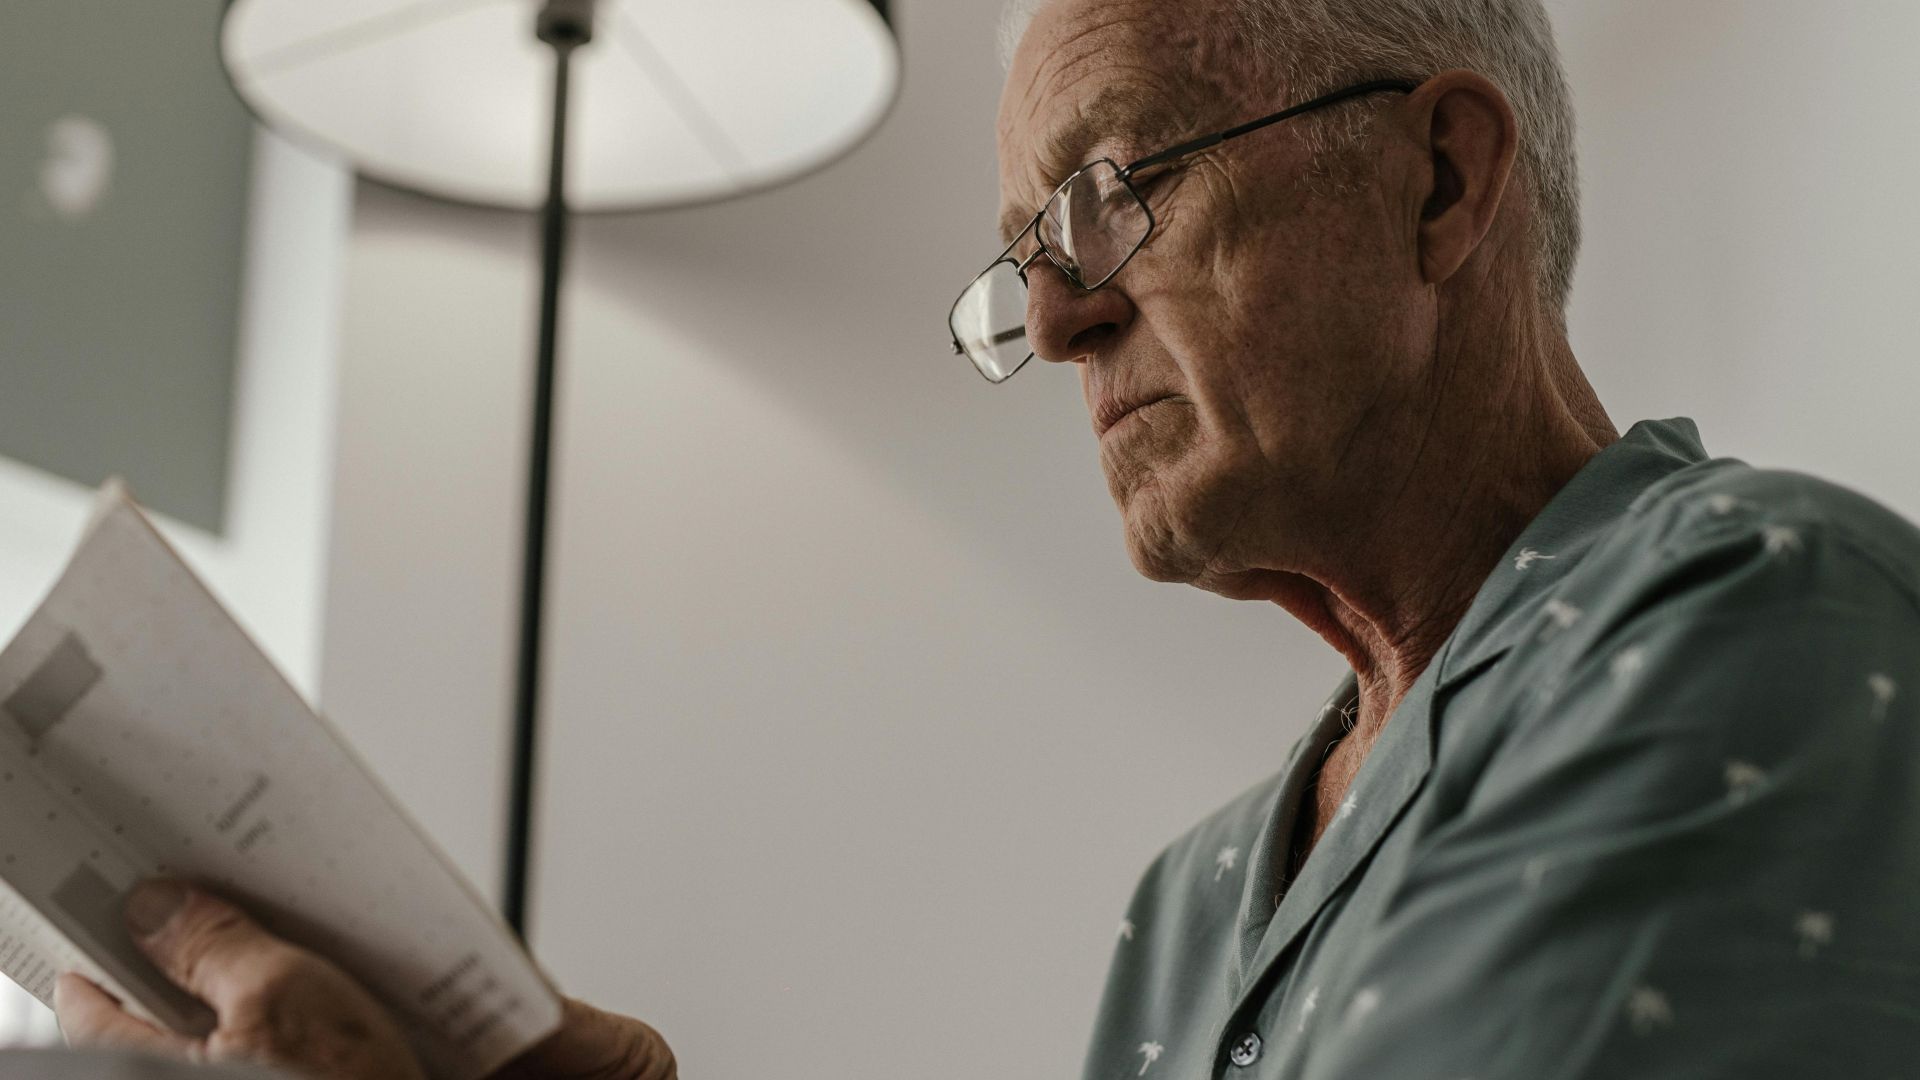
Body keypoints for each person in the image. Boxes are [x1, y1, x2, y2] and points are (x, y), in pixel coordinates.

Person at [57, 0, 1920, 1075]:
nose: (1050, 324)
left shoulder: (1742, 612)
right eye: (1020, 255)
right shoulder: (1198, 897)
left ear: (1437, 179)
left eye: (1110, 200)